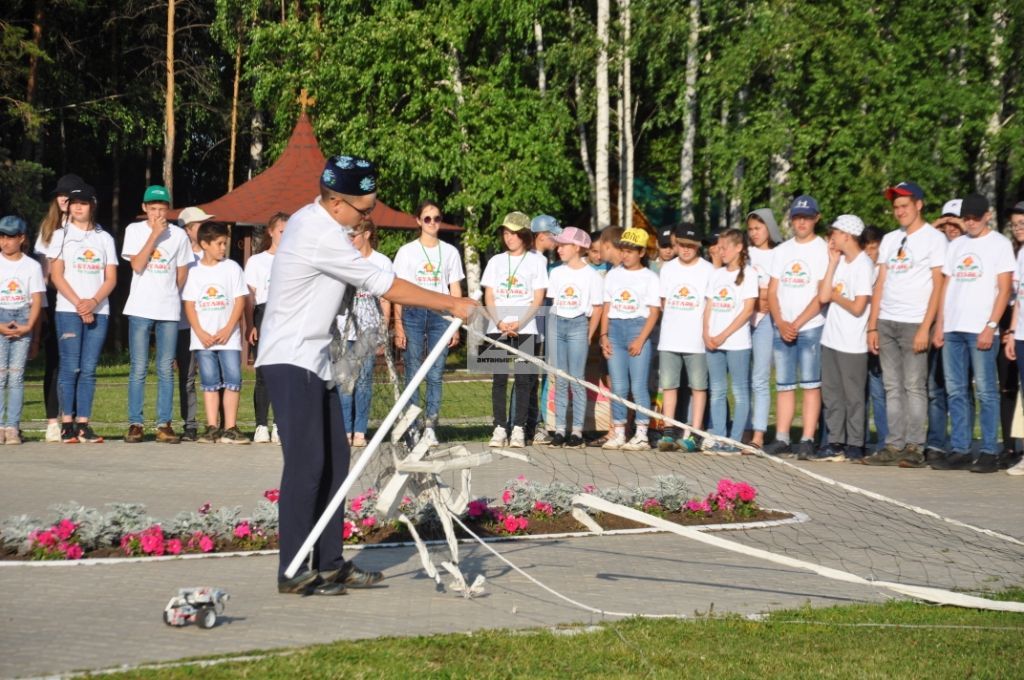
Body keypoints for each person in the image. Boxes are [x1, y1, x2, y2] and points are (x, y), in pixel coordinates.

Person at [256, 155, 475, 596]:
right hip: (290, 359)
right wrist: (452, 304)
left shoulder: (328, 225)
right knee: (307, 465)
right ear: (337, 203)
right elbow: (387, 286)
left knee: (336, 462)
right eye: (364, 211)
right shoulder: (319, 233)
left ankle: (331, 562)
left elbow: (380, 274)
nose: (366, 219)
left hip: (317, 362)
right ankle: (294, 569)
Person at [864, 181, 946, 467]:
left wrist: (927, 326)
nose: (899, 211)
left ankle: (914, 445)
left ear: (918, 205)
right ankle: (893, 444)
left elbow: (938, 285)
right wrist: (872, 325)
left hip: (914, 322)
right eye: (896, 207)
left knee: (914, 385)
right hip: (887, 320)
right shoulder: (889, 239)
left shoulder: (934, 239)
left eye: (904, 206)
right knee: (891, 386)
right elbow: (881, 283)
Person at [931, 194, 1013, 473]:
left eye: (976, 217)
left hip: (980, 328)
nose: (970, 222)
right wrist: (941, 324)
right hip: (953, 327)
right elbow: (947, 286)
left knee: (987, 392)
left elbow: (1004, 289)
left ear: (987, 215)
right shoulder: (956, 245)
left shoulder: (999, 245)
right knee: (956, 391)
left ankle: (990, 450)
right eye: (966, 217)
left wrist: (991, 326)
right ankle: (961, 448)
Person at [122, 185, 192, 444]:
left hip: (168, 309)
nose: (158, 214)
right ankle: (135, 423)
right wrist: (154, 235)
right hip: (140, 307)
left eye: (162, 209)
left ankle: (164, 424)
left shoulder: (179, 235)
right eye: (153, 209)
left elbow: (182, 270)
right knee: (138, 367)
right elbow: (138, 264)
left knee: (165, 368)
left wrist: (172, 293)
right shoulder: (134, 230)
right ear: (144, 209)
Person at [47, 183, 116, 444]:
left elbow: (110, 278)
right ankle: (67, 425)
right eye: (74, 202)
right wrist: (79, 304)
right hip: (68, 310)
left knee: (88, 369)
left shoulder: (104, 238)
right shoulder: (60, 236)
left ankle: (84, 425)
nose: (78, 206)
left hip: (100, 310)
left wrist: (94, 301)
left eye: (84, 202)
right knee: (69, 367)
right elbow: (56, 275)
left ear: (92, 205)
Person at [393, 200, 464, 448]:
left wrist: (457, 323)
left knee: (435, 373)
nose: (432, 223)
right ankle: (411, 427)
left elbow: (455, 289)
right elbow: (397, 291)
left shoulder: (450, 252)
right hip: (413, 312)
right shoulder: (406, 251)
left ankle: (431, 425)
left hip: (442, 315)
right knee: (413, 371)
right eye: (427, 218)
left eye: (436, 218)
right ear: (418, 221)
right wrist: (399, 325)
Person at [764, 195, 829, 459]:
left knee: (811, 384)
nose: (802, 222)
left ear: (816, 219)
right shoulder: (782, 251)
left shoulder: (822, 249)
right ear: (791, 219)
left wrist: (798, 323)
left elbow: (822, 294)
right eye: (797, 217)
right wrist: (781, 322)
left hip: (811, 325)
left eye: (807, 217)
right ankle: (782, 436)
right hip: (783, 326)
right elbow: (772, 291)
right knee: (784, 384)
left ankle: (807, 438)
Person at [483, 212, 548, 448]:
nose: (508, 238)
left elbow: (538, 297)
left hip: (526, 328)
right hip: (497, 327)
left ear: (524, 235)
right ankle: (500, 427)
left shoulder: (536, 261)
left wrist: (519, 323)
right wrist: (499, 321)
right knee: (499, 380)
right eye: (505, 233)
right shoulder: (495, 261)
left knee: (523, 380)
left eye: (513, 233)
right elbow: (489, 294)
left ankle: (519, 428)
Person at [182, 222, 249, 444]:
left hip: (228, 338)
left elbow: (240, 299)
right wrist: (200, 332)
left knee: (233, 378)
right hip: (204, 339)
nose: (223, 248)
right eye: (219, 243)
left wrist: (230, 327)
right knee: (209, 381)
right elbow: (190, 304)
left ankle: (230, 426)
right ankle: (212, 426)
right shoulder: (194, 271)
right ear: (204, 244)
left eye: (224, 243)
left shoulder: (232, 268)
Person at [815, 215, 874, 462]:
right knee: (832, 393)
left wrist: (835, 296)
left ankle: (855, 442)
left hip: (853, 341)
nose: (832, 238)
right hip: (831, 338)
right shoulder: (838, 263)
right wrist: (831, 263)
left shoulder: (864, 265)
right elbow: (822, 295)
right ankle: (835, 439)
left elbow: (858, 306)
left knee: (853, 395)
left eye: (836, 233)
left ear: (847, 236)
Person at [599, 227, 660, 450]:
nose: (625, 255)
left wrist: (641, 339)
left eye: (631, 251)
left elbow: (653, 312)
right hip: (615, 330)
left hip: (638, 329)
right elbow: (607, 306)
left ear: (641, 252)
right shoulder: (613, 274)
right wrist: (604, 335)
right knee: (618, 386)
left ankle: (642, 433)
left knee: (638, 385)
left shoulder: (650, 277)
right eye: (623, 250)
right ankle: (619, 431)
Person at [34, 173, 82, 442]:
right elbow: (43, 272)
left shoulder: (87, 228)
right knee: (54, 362)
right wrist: (41, 306)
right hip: (54, 302)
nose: (65, 199)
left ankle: (73, 419)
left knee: (76, 365)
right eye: (62, 195)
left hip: (79, 302)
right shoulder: (48, 229)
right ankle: (53, 420)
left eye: (71, 195)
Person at [656, 224, 712, 452]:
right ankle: (668, 431)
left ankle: (695, 432)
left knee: (698, 386)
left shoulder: (708, 270)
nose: (686, 250)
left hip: (696, 339)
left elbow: (709, 304)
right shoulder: (668, 269)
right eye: (682, 245)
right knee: (669, 385)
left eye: (691, 246)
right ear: (676, 244)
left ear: (698, 246)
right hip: (670, 337)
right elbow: (663, 302)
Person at [336, 218, 392, 448]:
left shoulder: (381, 262)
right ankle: (344, 430)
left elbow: (386, 298)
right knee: (344, 382)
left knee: (364, 382)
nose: (350, 240)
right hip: (343, 330)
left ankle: (360, 430)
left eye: (354, 236)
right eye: (347, 236)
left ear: (367, 234)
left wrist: (382, 332)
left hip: (369, 331)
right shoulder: (343, 260)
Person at [546, 227, 603, 448]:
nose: (559, 249)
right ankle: (560, 429)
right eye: (558, 245)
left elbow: (597, 308)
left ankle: (577, 430)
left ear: (577, 247)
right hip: (557, 322)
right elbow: (553, 302)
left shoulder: (591, 275)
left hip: (579, 323)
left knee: (577, 379)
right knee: (561, 378)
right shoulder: (557, 272)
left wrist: (588, 334)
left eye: (563, 245)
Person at [702, 228, 757, 453]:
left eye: (725, 247)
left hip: (736, 342)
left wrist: (724, 334)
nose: (721, 251)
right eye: (719, 247)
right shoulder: (717, 274)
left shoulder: (749, 274)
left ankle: (734, 440)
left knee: (740, 391)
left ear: (738, 248)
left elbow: (747, 310)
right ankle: (719, 437)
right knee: (717, 390)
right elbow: (709, 306)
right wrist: (706, 333)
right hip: (713, 341)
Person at [922, 199, 964, 462]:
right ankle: (936, 441)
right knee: (935, 387)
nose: (950, 227)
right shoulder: (935, 246)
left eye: (955, 221)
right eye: (946, 222)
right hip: (935, 324)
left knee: (960, 388)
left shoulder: (967, 247)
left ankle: (961, 443)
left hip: (960, 326)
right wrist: (936, 225)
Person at [0, 216, 45, 444]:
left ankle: (12, 427)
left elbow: (36, 299)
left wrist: (29, 327)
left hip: (22, 317)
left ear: (22, 238)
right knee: (0, 376)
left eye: (10, 237)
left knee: (16, 376)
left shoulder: (32, 266)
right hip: (1, 316)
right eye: (2, 237)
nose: (5, 242)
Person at [245, 211, 288, 444]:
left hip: (287, 317)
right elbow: (250, 296)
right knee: (264, 374)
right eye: (282, 231)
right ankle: (261, 424)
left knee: (283, 374)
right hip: (263, 314)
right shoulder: (257, 261)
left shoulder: (295, 259)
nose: (285, 236)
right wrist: (251, 324)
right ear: (271, 232)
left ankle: (279, 425)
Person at [744, 208, 782, 449]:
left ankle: (758, 433)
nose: (754, 233)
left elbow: (776, 290)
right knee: (742, 379)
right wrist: (760, 295)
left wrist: (766, 296)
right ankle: (744, 430)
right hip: (742, 318)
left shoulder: (779, 254)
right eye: (750, 229)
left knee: (759, 378)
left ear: (769, 228)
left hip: (767, 320)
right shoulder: (745, 253)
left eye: (758, 228)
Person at [174, 207, 210, 441]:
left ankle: (218, 424)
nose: (205, 229)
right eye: (199, 225)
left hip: (210, 327)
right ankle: (190, 425)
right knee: (187, 378)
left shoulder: (213, 254)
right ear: (187, 230)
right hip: (183, 326)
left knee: (211, 377)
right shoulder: (178, 255)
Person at [861, 225, 888, 449]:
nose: (870, 253)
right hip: (858, 335)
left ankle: (884, 438)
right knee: (862, 390)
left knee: (880, 390)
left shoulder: (884, 270)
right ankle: (860, 437)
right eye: (866, 248)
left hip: (880, 332)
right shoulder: (861, 268)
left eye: (874, 248)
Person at [1005, 201, 1024, 476]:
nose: (1018, 228)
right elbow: (1018, 298)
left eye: (1022, 223)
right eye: (1015, 224)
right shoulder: (1020, 255)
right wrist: (1010, 332)